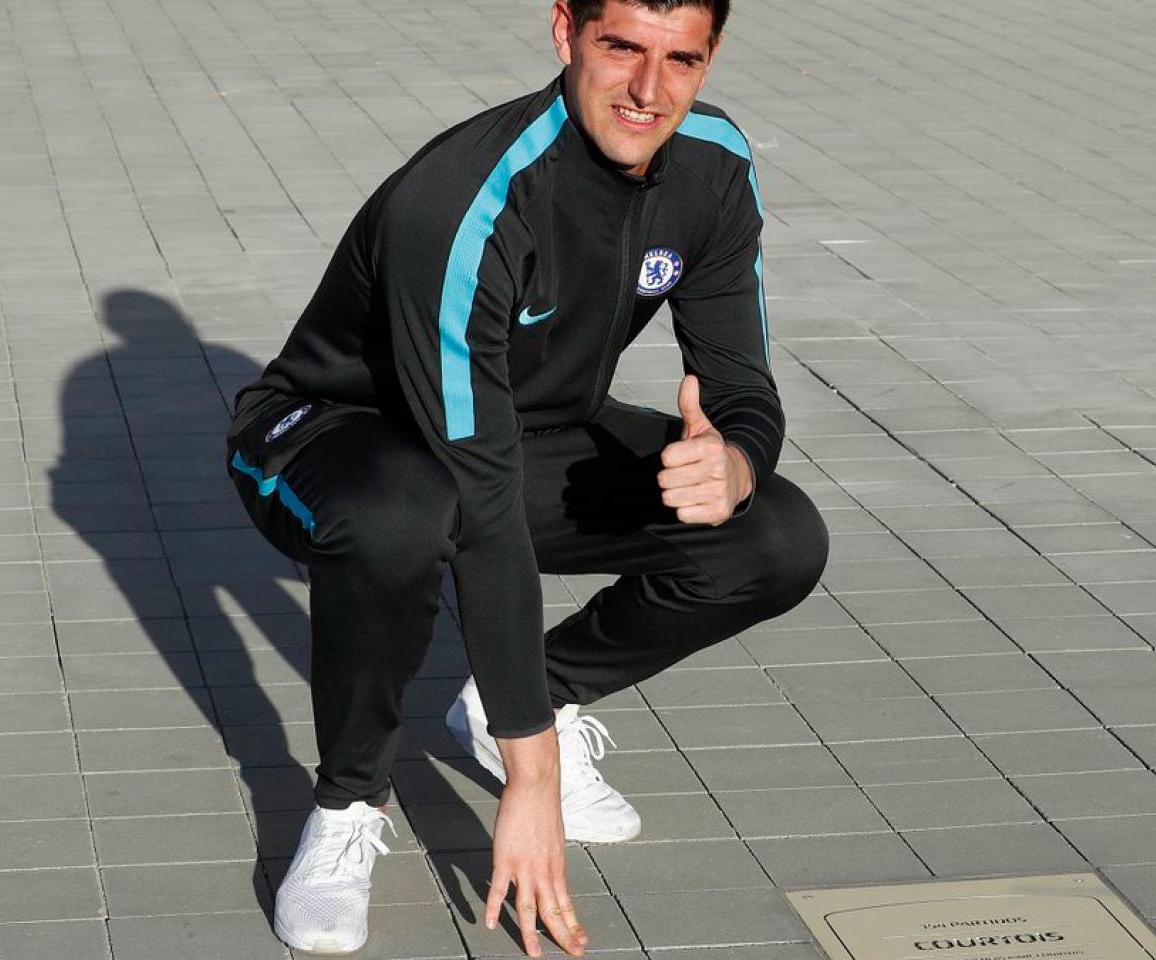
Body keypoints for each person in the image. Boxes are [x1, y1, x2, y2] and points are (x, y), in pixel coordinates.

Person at [223, 0, 829, 954]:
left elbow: (742, 381)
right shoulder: (469, 200)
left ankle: (535, 690)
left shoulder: (714, 165)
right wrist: (531, 776)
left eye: (681, 60)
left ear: (711, 59)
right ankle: (344, 809)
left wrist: (740, 461)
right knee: (405, 515)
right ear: (565, 32)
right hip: (335, 433)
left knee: (775, 538)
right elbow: (483, 502)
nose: (648, 89)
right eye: (621, 47)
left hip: (518, 430)